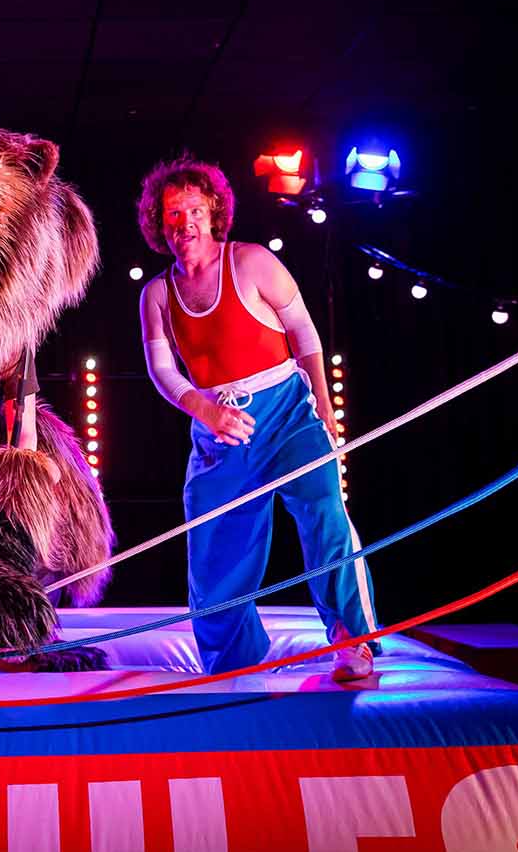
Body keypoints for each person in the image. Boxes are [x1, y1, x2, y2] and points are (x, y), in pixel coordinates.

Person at [136, 155, 378, 680]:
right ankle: (233, 661)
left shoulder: (252, 262)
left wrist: (325, 406)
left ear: (215, 212)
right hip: (217, 428)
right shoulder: (157, 293)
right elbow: (161, 369)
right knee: (214, 544)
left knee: (324, 514)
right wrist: (206, 410)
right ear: (160, 225)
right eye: (173, 215)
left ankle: (353, 640)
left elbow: (306, 336)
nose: (186, 224)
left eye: (195, 210)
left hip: (287, 412)